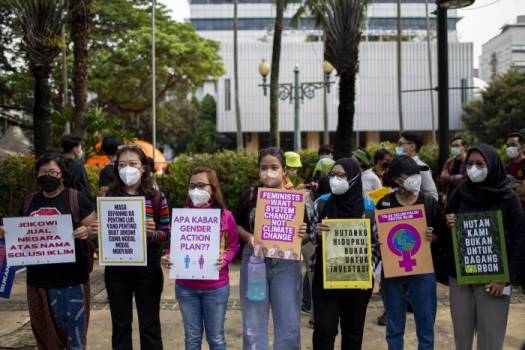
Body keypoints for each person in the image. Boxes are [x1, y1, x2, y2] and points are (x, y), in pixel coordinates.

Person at [0, 151, 96, 349]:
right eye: (43, 172)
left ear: (62, 174)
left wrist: (86, 231)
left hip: (71, 281)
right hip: (38, 282)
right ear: (36, 175)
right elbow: (21, 234)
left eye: (53, 171)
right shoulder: (29, 201)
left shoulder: (76, 199)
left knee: (74, 341)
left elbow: (94, 229)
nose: (48, 176)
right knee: (45, 340)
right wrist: (6, 233)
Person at [445, 144, 525, 350]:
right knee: (461, 338)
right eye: (470, 164)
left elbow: (519, 238)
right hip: (461, 275)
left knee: (490, 339)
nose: (473, 168)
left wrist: (506, 277)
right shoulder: (460, 193)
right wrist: (448, 224)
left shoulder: (508, 198)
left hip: (494, 278)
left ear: (493, 165)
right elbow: (446, 233)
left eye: (480, 164)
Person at [90, 145, 170, 350]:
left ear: (143, 168)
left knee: (150, 325)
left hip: (148, 269)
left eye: (133, 164)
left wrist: (152, 234)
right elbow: (100, 233)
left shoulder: (156, 197)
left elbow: (167, 232)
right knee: (120, 325)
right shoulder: (108, 198)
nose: (127, 169)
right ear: (116, 168)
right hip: (116, 270)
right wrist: (97, 229)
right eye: (122, 164)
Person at [234, 147, 309, 350]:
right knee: (253, 319)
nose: (269, 172)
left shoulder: (296, 199)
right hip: (255, 262)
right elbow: (236, 224)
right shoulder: (250, 195)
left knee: (289, 319)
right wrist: (248, 236)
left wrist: (303, 234)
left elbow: (306, 233)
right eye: (264, 167)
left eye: (274, 167)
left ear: (284, 170)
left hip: (286, 264)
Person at [161, 167, 240, 350]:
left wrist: (225, 258)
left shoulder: (225, 216)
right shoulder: (182, 217)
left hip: (216, 287)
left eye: (201, 185)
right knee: (192, 339)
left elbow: (234, 245)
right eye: (192, 186)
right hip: (186, 288)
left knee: (216, 339)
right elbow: (177, 248)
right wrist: (168, 257)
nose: (196, 190)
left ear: (213, 188)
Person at [376, 155, 446, 350]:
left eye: (417, 174)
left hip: (423, 272)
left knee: (425, 325)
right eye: (411, 174)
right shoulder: (385, 203)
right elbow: (377, 237)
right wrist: (379, 239)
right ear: (397, 179)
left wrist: (434, 237)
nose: (416, 178)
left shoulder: (429, 202)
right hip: (393, 273)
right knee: (394, 325)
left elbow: (442, 233)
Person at [310, 158, 375, 349]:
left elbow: (375, 243)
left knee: (353, 333)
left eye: (341, 175)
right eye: (332, 175)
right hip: (326, 276)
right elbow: (310, 234)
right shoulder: (321, 204)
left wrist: (372, 270)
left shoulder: (368, 207)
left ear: (354, 178)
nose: (335, 180)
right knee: (324, 329)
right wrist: (317, 233)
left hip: (357, 278)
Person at [396, 132, 438, 201]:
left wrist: (417, 206)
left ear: (412, 146)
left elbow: (432, 195)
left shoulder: (422, 167)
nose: (398, 147)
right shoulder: (397, 165)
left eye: (400, 144)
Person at [440, 136, 467, 206]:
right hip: (450, 196)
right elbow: (443, 178)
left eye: (457, 146)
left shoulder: (469, 161)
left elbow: (465, 179)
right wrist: (456, 177)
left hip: (465, 196)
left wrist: (449, 178)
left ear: (464, 147)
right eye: (452, 146)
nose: (454, 148)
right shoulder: (449, 162)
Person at [61, 134, 90, 198]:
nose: (80, 150)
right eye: (80, 147)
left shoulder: (56, 164)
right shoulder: (78, 167)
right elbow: (85, 191)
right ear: (75, 149)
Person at [504, 132, 525, 211]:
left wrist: (509, 190)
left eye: (513, 145)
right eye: (508, 146)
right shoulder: (506, 168)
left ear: (522, 147)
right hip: (512, 213)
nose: (509, 148)